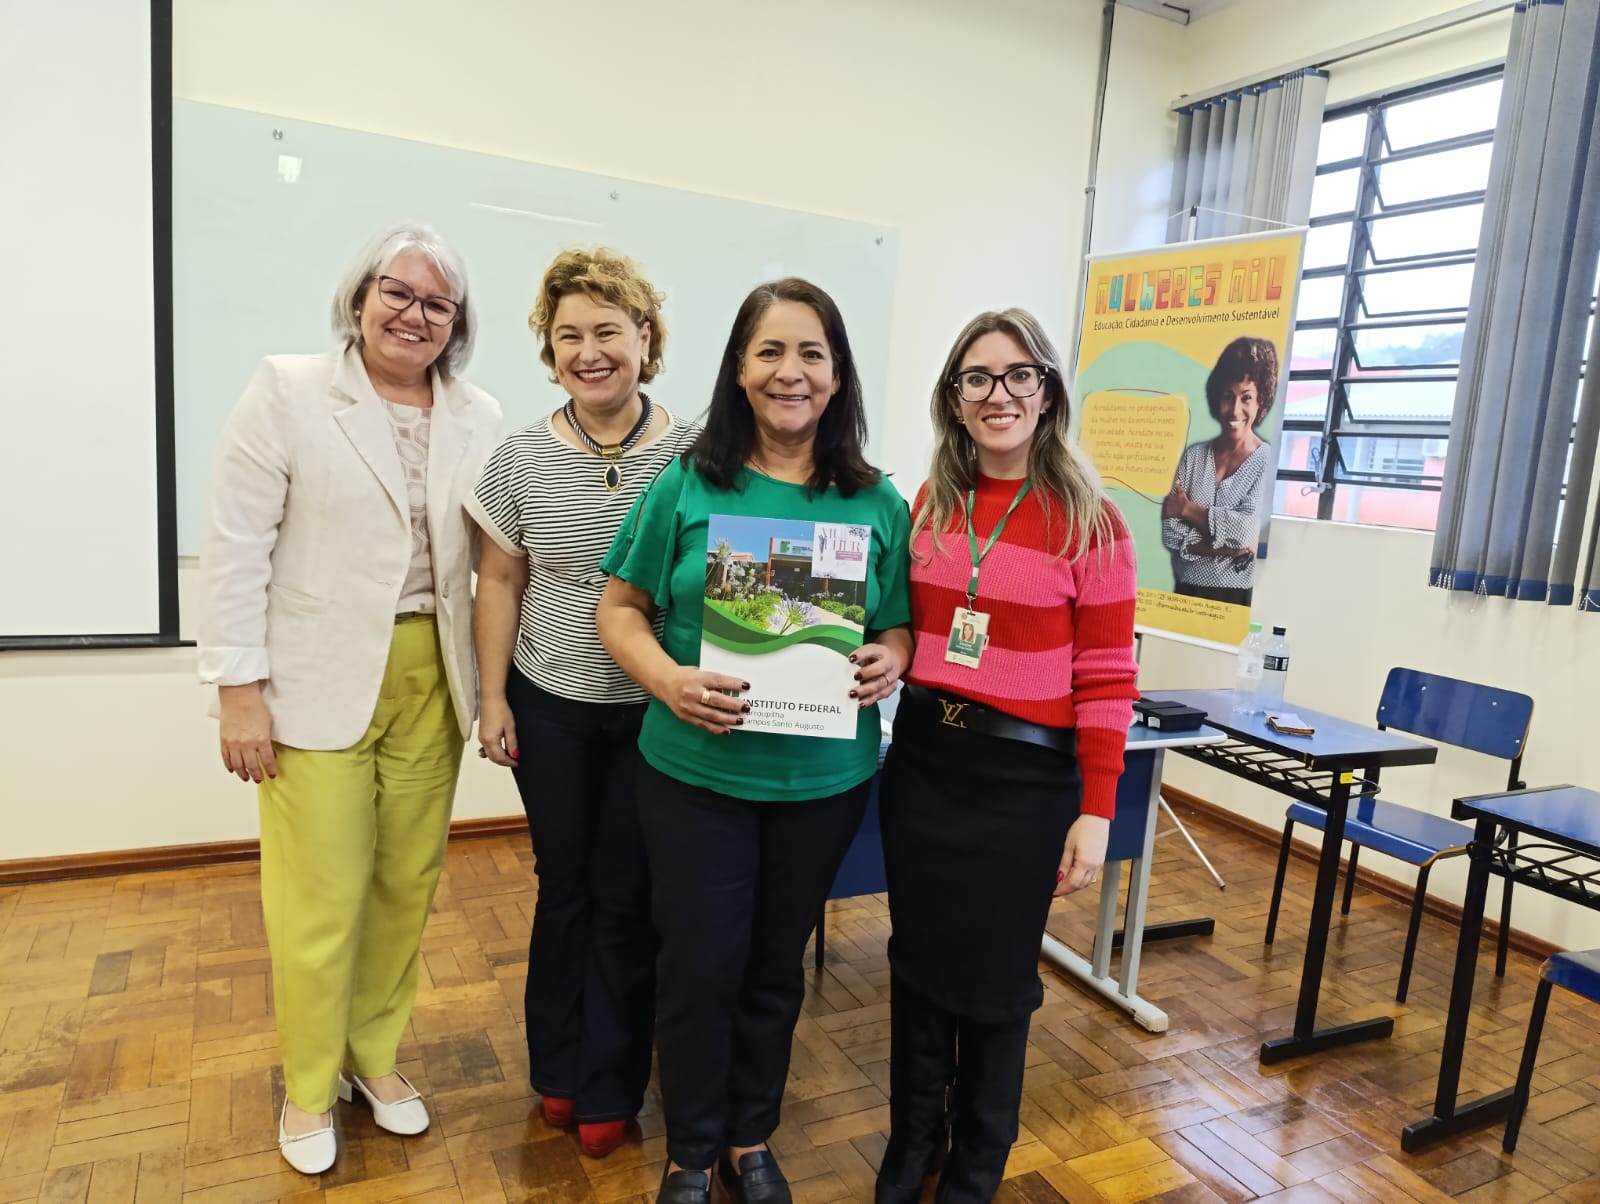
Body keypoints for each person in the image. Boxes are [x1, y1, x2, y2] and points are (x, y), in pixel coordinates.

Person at [596, 278, 912, 1204]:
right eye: (770, 351)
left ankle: (750, 1136)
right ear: (739, 368)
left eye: (812, 353)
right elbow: (620, 609)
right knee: (699, 969)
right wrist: (667, 680)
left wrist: (892, 659)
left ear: (838, 374)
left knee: (775, 971)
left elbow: (897, 625)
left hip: (823, 782)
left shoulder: (876, 502)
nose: (790, 372)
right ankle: (691, 1150)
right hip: (694, 775)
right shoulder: (686, 483)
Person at [198, 224, 502, 1174]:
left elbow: (495, 560)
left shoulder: (481, 414)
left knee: (404, 885)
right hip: (313, 678)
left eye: (437, 303)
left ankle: (373, 1057)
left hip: (432, 675)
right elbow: (235, 546)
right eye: (397, 292)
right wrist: (238, 693)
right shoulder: (288, 389)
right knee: (319, 897)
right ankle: (307, 1081)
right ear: (361, 297)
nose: (415, 314)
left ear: (457, 323)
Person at [875, 309, 1138, 1204]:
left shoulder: (1091, 522)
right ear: (953, 397)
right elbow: (909, 628)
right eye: (978, 377)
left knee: (994, 981)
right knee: (917, 962)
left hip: (1024, 783)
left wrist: (1097, 808)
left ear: (1048, 391)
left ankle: (976, 1165)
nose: (1000, 394)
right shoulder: (931, 502)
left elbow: (1108, 677)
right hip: (924, 765)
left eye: (1020, 375)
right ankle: (914, 1139)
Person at [466, 248, 698, 1159]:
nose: (589, 351)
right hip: (551, 704)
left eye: (608, 331)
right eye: (569, 335)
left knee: (627, 893)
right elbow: (499, 579)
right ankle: (556, 1072)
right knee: (564, 886)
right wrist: (492, 697)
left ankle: (610, 1084)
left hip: (655, 711)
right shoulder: (519, 457)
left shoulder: (694, 454)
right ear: (549, 349)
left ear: (645, 338)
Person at [1160, 335, 1279, 606]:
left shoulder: (1266, 461)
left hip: (1234, 596)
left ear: (1261, 401)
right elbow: (1170, 533)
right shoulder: (1194, 456)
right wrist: (1232, 549)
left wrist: (1188, 510)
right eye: (1228, 396)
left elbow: (1247, 530)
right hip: (1185, 591)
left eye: (1246, 398)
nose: (1235, 410)